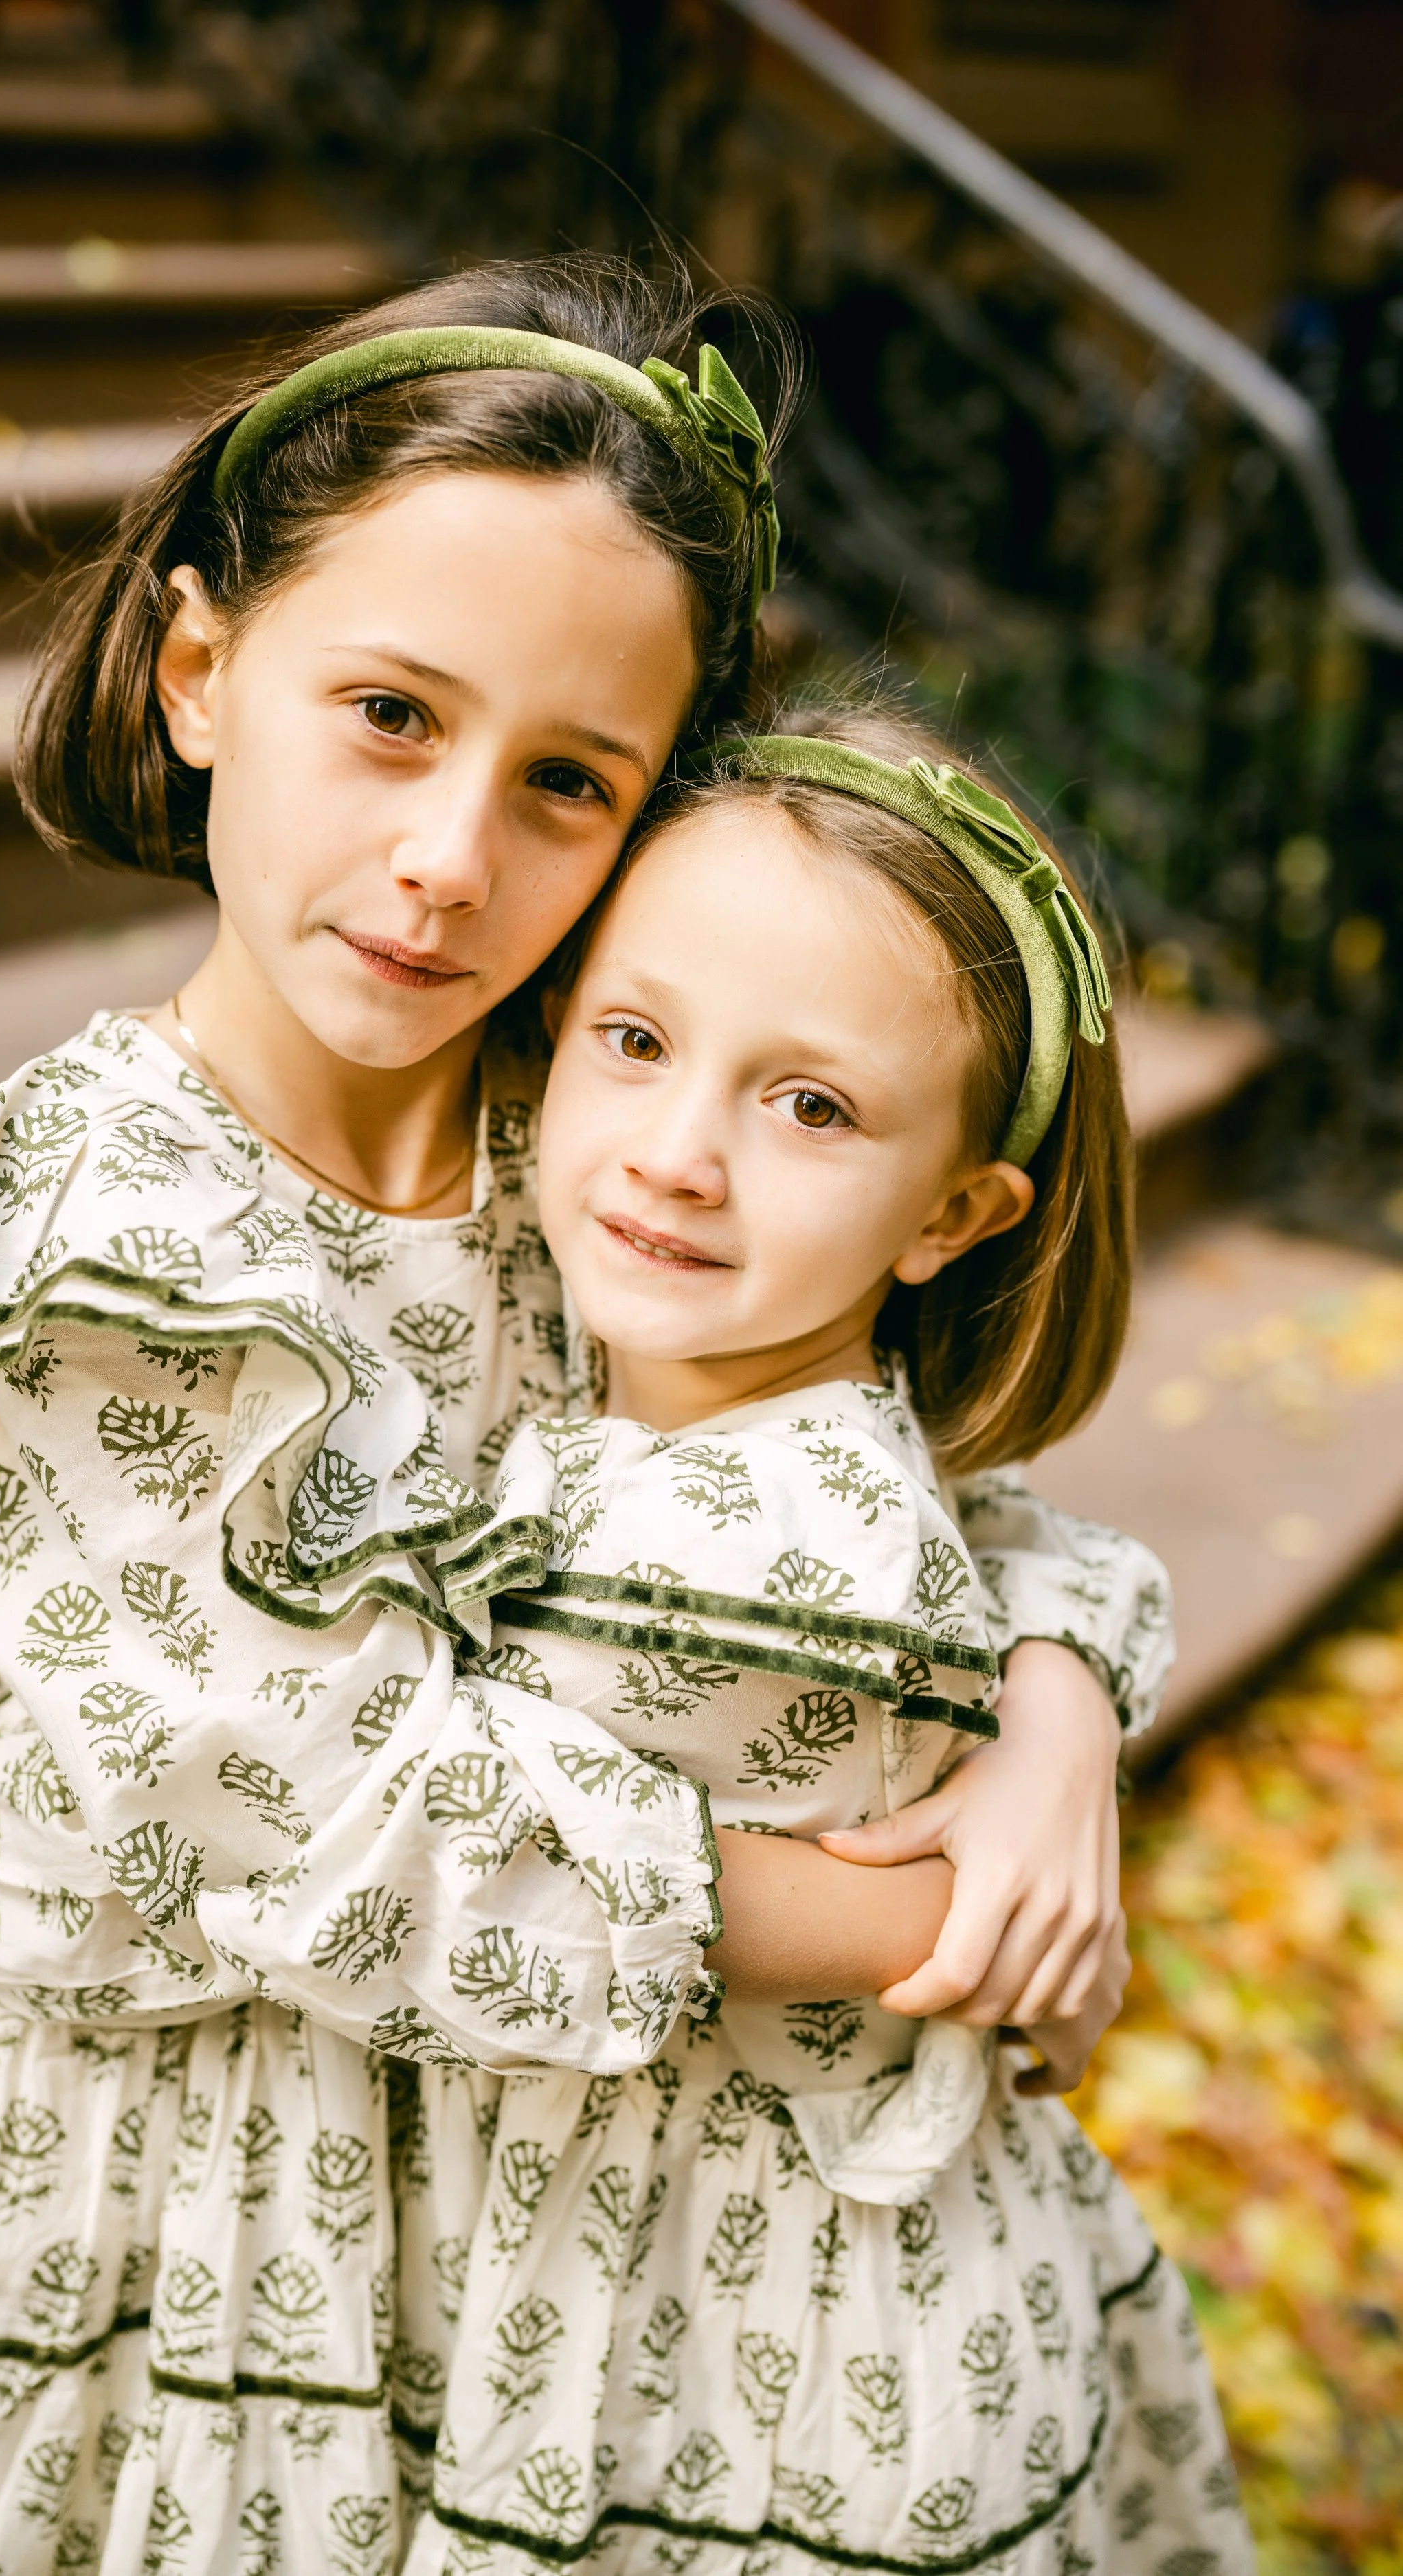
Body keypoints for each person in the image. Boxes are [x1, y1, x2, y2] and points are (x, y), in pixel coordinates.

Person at [0, 260, 1161, 2573]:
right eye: (387, 711)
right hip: (126, 2232)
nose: (452, 856)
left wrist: (1053, 1702)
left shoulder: (586, 1123)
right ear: (198, 672)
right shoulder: (102, 1238)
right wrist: (911, 1918)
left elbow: (861, 1486)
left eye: (562, 781)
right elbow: (336, 1836)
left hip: (519, 2253)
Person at [374, 699, 1245, 2569]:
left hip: (730, 2354)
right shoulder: (669, 1368)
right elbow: (1021, 1538)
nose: (678, 1150)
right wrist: (1060, 1689)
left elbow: (404, 1859)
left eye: (809, 1103)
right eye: (634, 1041)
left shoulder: (766, 1548)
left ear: (951, 1212)